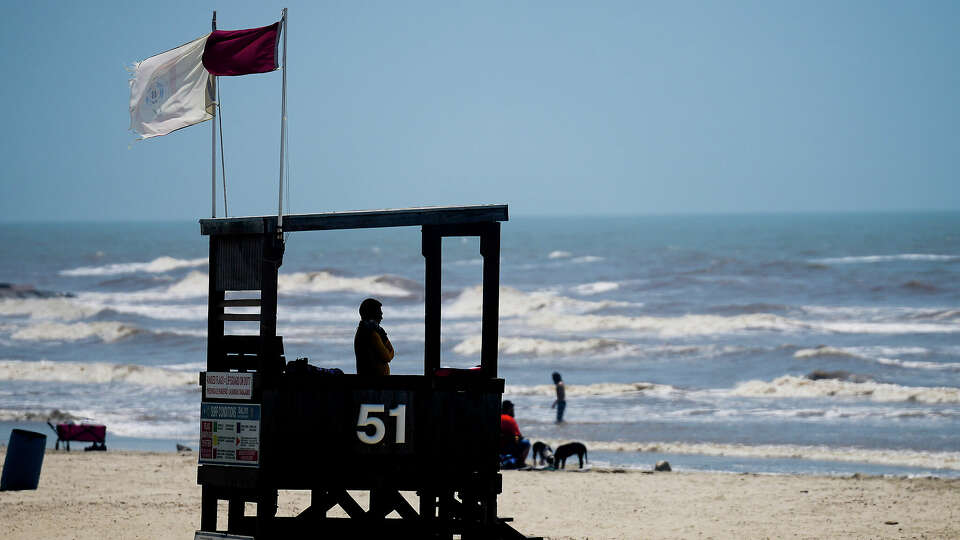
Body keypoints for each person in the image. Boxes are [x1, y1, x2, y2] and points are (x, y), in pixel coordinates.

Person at [354, 298, 394, 376]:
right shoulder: (372, 334)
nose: (381, 318)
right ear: (372, 314)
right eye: (379, 314)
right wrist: (383, 336)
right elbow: (388, 357)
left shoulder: (361, 331)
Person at [499, 400, 530, 468]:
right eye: (513, 409)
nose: (513, 411)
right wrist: (517, 441)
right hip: (508, 447)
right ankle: (521, 463)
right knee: (526, 442)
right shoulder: (509, 419)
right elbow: (517, 436)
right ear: (509, 409)